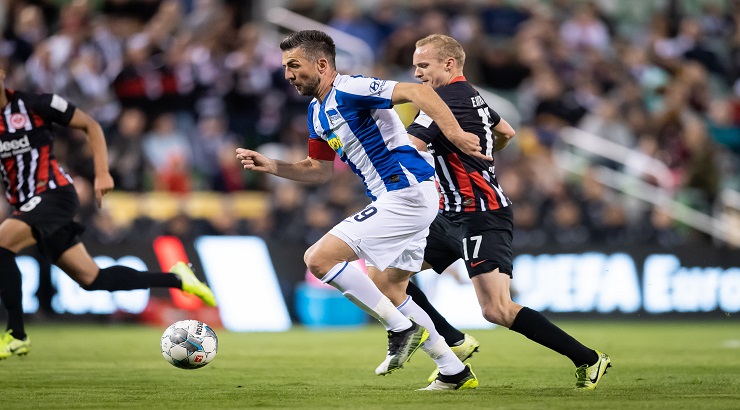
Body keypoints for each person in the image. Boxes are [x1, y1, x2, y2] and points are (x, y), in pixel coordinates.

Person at [236, 30, 488, 390]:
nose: (288, 75)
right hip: (401, 197)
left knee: (318, 259)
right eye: (285, 67)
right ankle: (453, 370)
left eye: (294, 65)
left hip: (406, 192)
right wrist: (272, 166)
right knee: (388, 288)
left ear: (322, 64)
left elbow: (418, 92)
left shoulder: (351, 88)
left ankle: (401, 329)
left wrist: (457, 134)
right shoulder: (316, 112)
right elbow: (318, 170)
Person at [404, 34, 611, 390]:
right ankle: (454, 346)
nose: (418, 73)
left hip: (481, 215)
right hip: (449, 214)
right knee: (391, 275)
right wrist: (482, 152)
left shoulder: (442, 100)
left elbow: (409, 149)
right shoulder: (472, 96)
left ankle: (589, 359)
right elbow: (507, 131)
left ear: (449, 64)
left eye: (424, 65)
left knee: (496, 309)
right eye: (416, 66)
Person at [0, 68, 216, 360]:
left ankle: (16, 334)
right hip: (25, 204)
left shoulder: (35, 104)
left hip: (54, 194)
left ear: (2, 75)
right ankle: (177, 279)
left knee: (1, 245)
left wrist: (102, 173)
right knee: (93, 279)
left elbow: (91, 125)